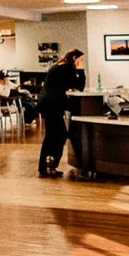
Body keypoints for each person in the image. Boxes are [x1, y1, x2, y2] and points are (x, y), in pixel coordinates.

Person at [38, 48, 85, 176]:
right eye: (81, 60)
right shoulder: (66, 69)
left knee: (54, 135)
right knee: (58, 135)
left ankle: (47, 166)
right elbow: (80, 86)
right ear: (74, 58)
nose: (82, 62)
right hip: (52, 105)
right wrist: (81, 70)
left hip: (48, 104)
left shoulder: (60, 66)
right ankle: (48, 166)